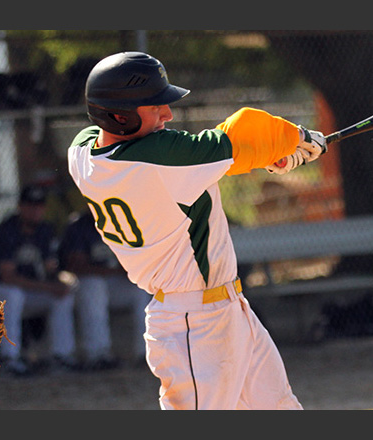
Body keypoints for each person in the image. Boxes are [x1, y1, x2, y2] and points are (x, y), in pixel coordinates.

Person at [67, 51, 327, 409]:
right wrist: (299, 137)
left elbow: (202, 163)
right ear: (119, 115)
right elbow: (245, 130)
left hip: (224, 311)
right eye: (154, 106)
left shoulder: (82, 153)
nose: (167, 114)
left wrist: (270, 152)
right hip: (194, 324)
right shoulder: (157, 156)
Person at [0, 184, 80, 376]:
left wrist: (62, 282)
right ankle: (10, 359)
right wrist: (49, 287)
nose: (35, 210)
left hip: (18, 288)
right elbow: (8, 277)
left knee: (62, 296)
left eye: (39, 206)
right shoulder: (7, 231)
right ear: (20, 207)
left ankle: (61, 356)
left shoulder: (44, 230)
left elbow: (51, 269)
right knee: (13, 295)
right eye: (30, 205)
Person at [59, 210, 151, 370]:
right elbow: (78, 266)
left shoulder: (123, 221)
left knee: (140, 289)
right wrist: (118, 271)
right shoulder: (79, 225)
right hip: (83, 285)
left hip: (114, 283)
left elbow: (138, 257)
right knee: (94, 285)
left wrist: (129, 268)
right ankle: (98, 354)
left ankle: (146, 353)